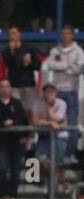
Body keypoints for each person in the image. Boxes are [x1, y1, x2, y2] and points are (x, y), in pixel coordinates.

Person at [43, 25, 82, 155]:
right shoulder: (55, 50)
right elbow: (50, 64)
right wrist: (67, 65)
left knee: (71, 122)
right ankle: (56, 152)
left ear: (72, 35)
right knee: (55, 121)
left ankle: (71, 153)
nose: (65, 36)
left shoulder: (78, 51)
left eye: (67, 34)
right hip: (57, 92)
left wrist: (61, 67)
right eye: (63, 33)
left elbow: (79, 69)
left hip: (71, 91)